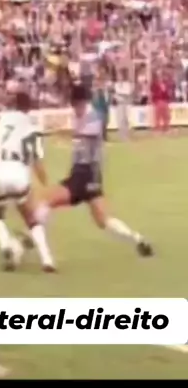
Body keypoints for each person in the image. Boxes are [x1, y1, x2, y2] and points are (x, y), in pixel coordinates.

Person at [34, 83, 153, 264]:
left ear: (82, 102)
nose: (75, 108)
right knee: (103, 220)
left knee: (47, 200)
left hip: (85, 173)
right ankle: (138, 239)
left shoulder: (93, 117)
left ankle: (33, 238)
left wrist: (60, 133)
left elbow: (85, 135)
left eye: (76, 104)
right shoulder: (80, 117)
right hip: (90, 176)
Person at [0, 90, 55, 272]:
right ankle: (47, 259)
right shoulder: (32, 127)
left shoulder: (2, 120)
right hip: (17, 171)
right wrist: (45, 184)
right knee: (30, 217)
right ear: (29, 107)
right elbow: (36, 161)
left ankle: (6, 244)